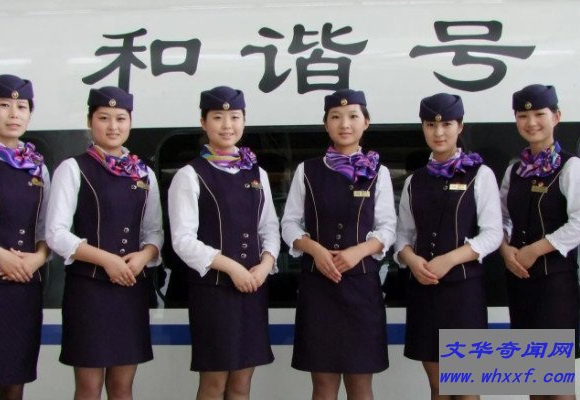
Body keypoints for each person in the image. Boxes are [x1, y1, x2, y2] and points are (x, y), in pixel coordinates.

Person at [45, 86, 163, 400]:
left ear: (130, 122)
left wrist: (144, 256)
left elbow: (154, 232)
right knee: (88, 388)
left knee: (123, 388)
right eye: (104, 118)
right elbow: (56, 233)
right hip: (89, 291)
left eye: (120, 118)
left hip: (130, 289)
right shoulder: (73, 168)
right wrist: (107, 260)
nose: (113, 126)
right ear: (90, 121)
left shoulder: (144, 174)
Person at [281, 89, 396, 400]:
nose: (345, 124)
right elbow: (289, 224)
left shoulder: (379, 172)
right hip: (319, 288)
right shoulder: (307, 170)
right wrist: (314, 249)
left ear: (366, 122)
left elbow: (388, 228)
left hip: (362, 289)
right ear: (326, 124)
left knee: (360, 386)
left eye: (353, 116)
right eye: (336, 117)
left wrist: (359, 251)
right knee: (323, 385)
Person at [168, 86, 280, 400]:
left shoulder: (257, 173)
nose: (227, 125)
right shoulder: (190, 175)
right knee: (214, 384)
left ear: (244, 121)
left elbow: (269, 227)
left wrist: (265, 265)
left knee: (242, 384)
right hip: (213, 293)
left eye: (235, 117)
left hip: (252, 289)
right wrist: (232, 268)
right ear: (203, 122)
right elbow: (183, 240)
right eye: (218, 117)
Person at [395, 93, 502, 400]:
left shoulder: (480, 174)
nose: (438, 132)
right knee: (438, 387)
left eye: (447, 125)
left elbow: (492, 234)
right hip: (425, 292)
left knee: (466, 387)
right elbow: (403, 235)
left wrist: (450, 259)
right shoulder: (414, 181)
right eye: (430, 125)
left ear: (460, 127)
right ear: (423, 128)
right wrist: (412, 260)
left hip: (463, 293)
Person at [499, 84, 579, 400]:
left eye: (539, 114)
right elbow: (501, 219)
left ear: (556, 116)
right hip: (521, 283)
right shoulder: (514, 171)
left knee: (556, 381)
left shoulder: (571, 166)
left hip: (555, 285)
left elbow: (578, 223)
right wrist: (505, 249)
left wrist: (535, 249)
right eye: (522, 116)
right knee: (533, 377)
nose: (531, 122)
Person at [0, 74, 50, 400]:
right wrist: (0, 255)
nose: (13, 114)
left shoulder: (37, 166)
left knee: (14, 383)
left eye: (22, 107)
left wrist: (39, 257)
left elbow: (45, 228)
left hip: (23, 288)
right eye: (4, 105)